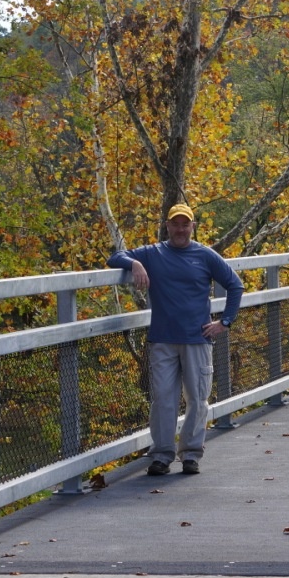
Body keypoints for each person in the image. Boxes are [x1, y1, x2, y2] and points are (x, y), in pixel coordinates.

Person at [108, 203, 244, 475]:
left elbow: (235, 285)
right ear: (167, 226)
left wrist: (225, 322)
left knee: (197, 398)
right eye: (175, 224)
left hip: (197, 338)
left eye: (186, 224)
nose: (180, 229)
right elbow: (115, 258)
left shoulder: (205, 256)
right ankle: (161, 455)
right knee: (163, 399)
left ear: (192, 226)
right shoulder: (153, 253)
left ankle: (191, 454)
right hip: (162, 339)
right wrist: (134, 263)